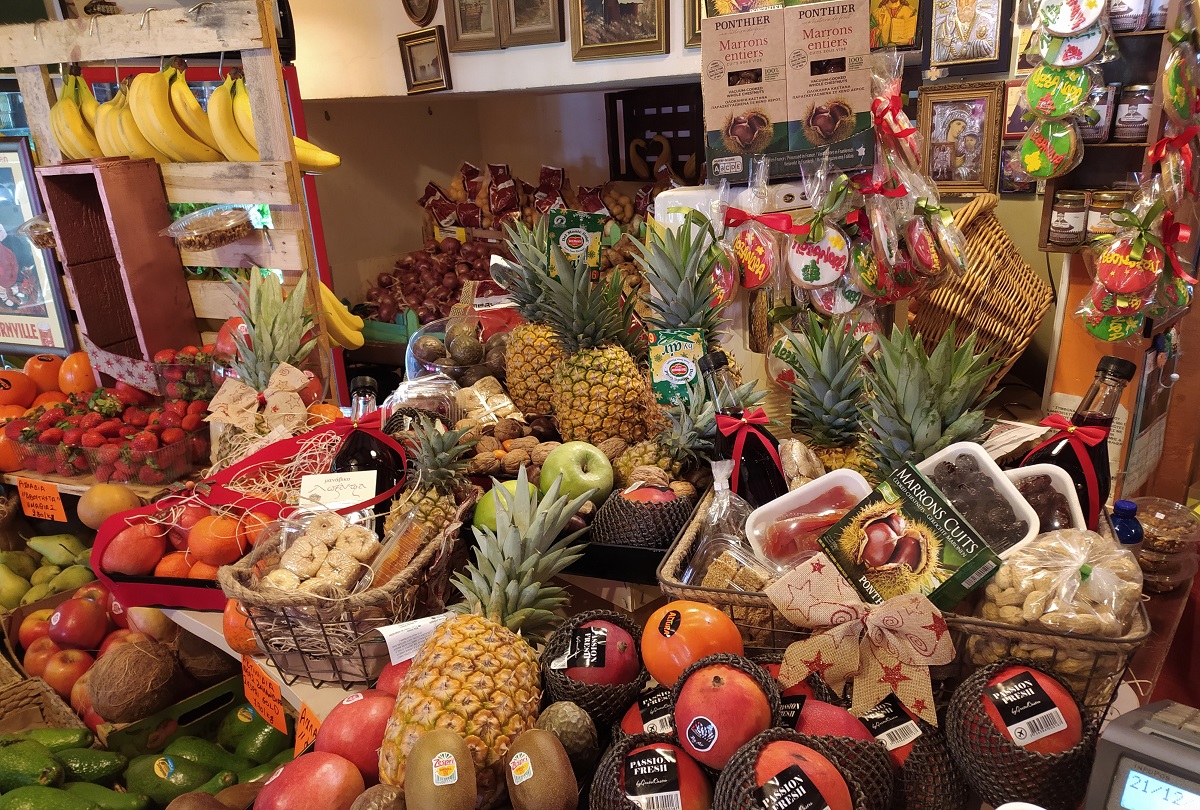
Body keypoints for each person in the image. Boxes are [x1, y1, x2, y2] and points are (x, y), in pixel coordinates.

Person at [932, 0, 997, 63]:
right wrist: (948, 37)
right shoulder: (946, 25)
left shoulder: (987, 21)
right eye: (963, 0)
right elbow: (940, 57)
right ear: (957, 2)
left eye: (970, 0)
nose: (967, 3)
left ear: (975, 2)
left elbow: (991, 50)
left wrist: (979, 44)